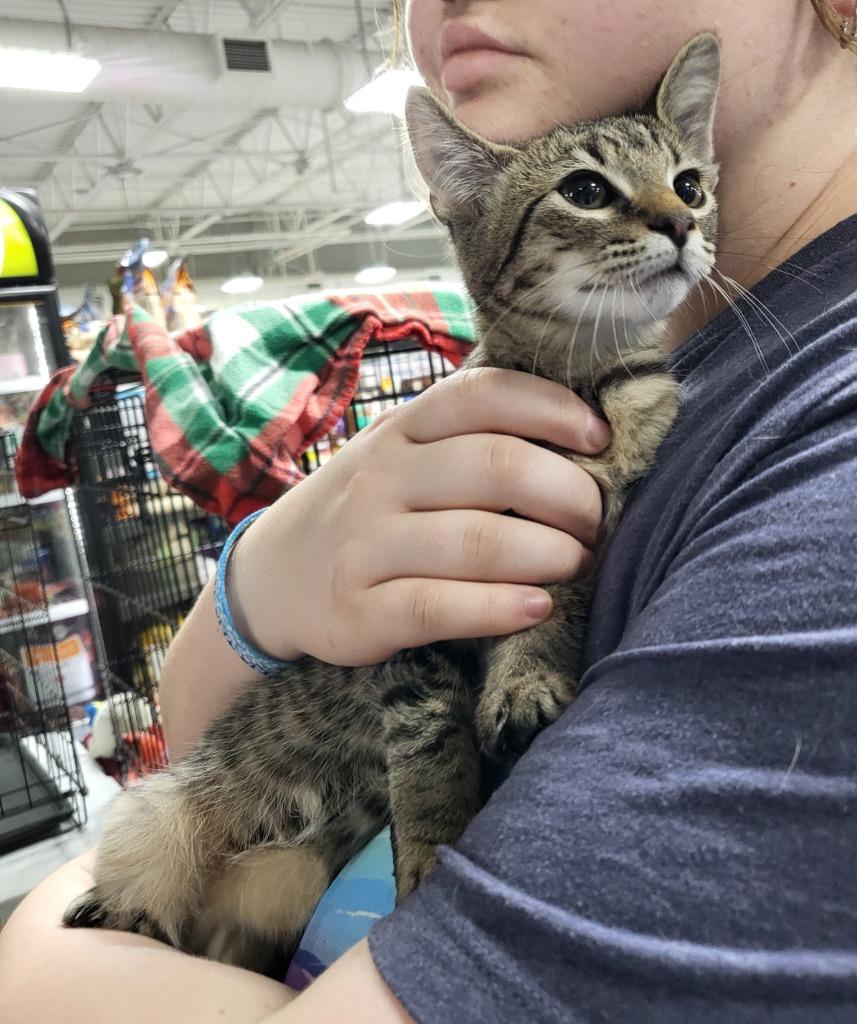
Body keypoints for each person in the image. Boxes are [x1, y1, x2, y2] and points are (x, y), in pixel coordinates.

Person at [3, 0, 857, 1020]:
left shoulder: (822, 467)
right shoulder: (674, 374)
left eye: (677, 190)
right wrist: (259, 582)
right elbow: (200, 738)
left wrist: (36, 958)